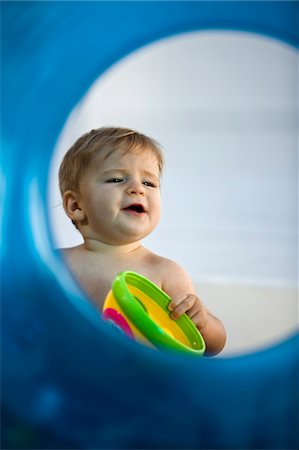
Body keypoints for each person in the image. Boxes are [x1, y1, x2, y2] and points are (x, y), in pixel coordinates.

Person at [59, 126, 226, 355]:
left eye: (149, 183)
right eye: (117, 179)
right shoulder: (54, 262)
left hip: (135, 385)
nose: (137, 189)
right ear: (76, 206)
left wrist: (203, 322)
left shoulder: (165, 272)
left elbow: (213, 346)